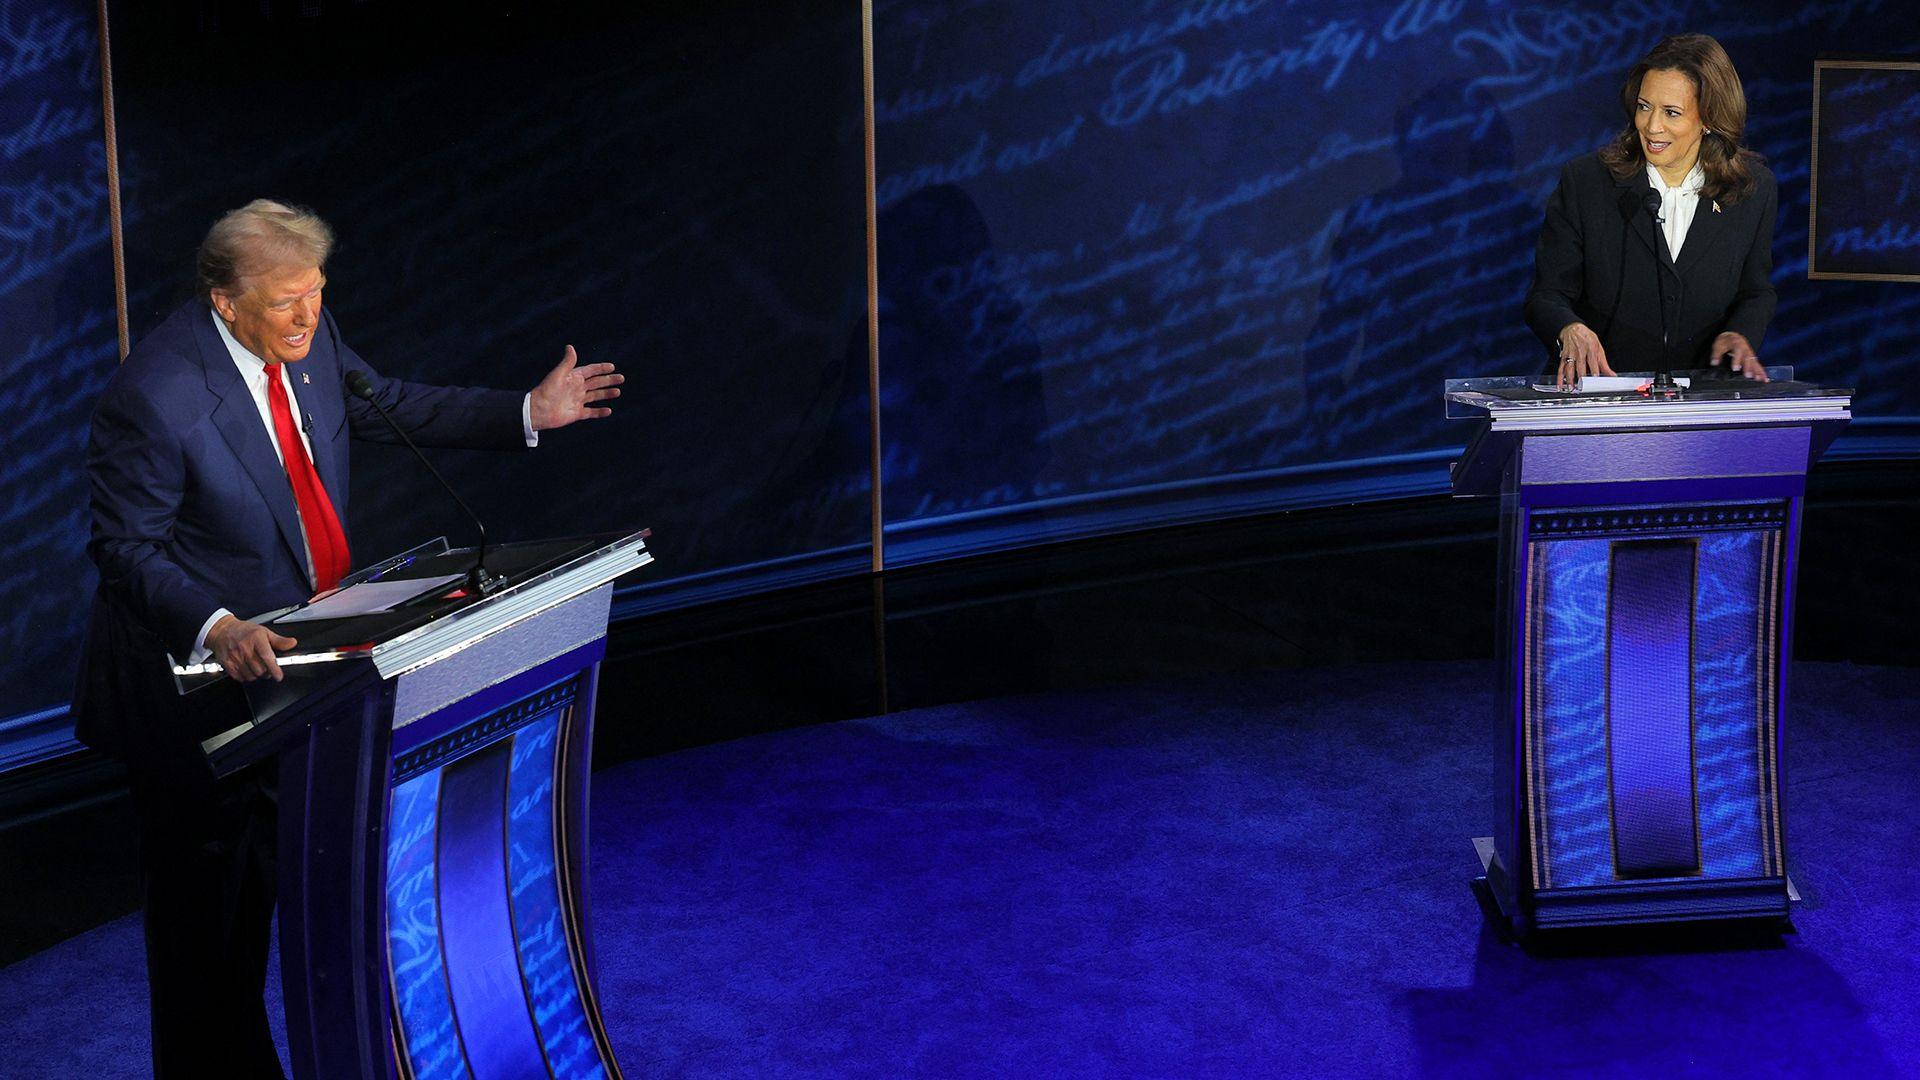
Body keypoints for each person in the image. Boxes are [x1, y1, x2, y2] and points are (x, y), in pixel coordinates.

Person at [70, 199, 622, 1076]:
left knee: (311, 894)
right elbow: (124, 549)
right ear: (225, 302)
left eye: (317, 292)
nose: (309, 315)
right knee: (207, 939)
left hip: (303, 678)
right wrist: (218, 625)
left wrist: (526, 411)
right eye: (286, 299)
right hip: (193, 696)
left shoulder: (310, 340)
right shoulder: (156, 396)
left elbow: (391, 403)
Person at [1524, 34, 1777, 388]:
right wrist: (1569, 328)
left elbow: (1756, 290)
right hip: (1597, 396)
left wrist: (1740, 333)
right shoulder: (1587, 183)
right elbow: (1546, 294)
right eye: (1644, 107)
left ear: (1709, 119)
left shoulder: (1751, 190)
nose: (1652, 126)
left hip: (1698, 404)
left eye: (1671, 112)